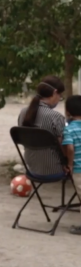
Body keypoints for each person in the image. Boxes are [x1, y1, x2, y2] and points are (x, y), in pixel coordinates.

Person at [18, 76, 66, 176]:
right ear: (54, 93)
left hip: (31, 168)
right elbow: (63, 147)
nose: (59, 99)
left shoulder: (23, 112)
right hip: (54, 169)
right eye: (60, 96)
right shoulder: (56, 117)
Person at [62, 95, 81, 235]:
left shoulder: (69, 129)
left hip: (79, 169)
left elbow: (70, 148)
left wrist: (69, 164)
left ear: (68, 112)